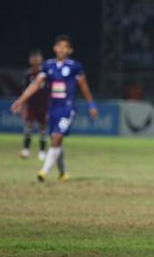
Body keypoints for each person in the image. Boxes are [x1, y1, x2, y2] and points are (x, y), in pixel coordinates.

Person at [11, 34, 98, 181]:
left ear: (70, 50)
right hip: (53, 109)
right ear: (55, 48)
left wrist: (91, 104)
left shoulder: (74, 66)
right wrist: (20, 100)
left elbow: (84, 87)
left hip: (67, 109)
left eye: (65, 47)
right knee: (56, 140)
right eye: (60, 46)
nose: (62, 49)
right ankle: (63, 173)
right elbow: (35, 85)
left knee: (57, 138)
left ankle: (43, 171)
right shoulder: (48, 65)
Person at [19, 49, 50, 161]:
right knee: (29, 126)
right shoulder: (28, 74)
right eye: (34, 58)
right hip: (31, 105)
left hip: (43, 105)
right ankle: (26, 149)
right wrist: (22, 106)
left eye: (38, 57)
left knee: (43, 128)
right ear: (30, 60)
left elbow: (49, 90)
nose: (36, 60)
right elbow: (24, 91)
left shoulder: (45, 74)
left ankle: (42, 152)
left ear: (41, 59)